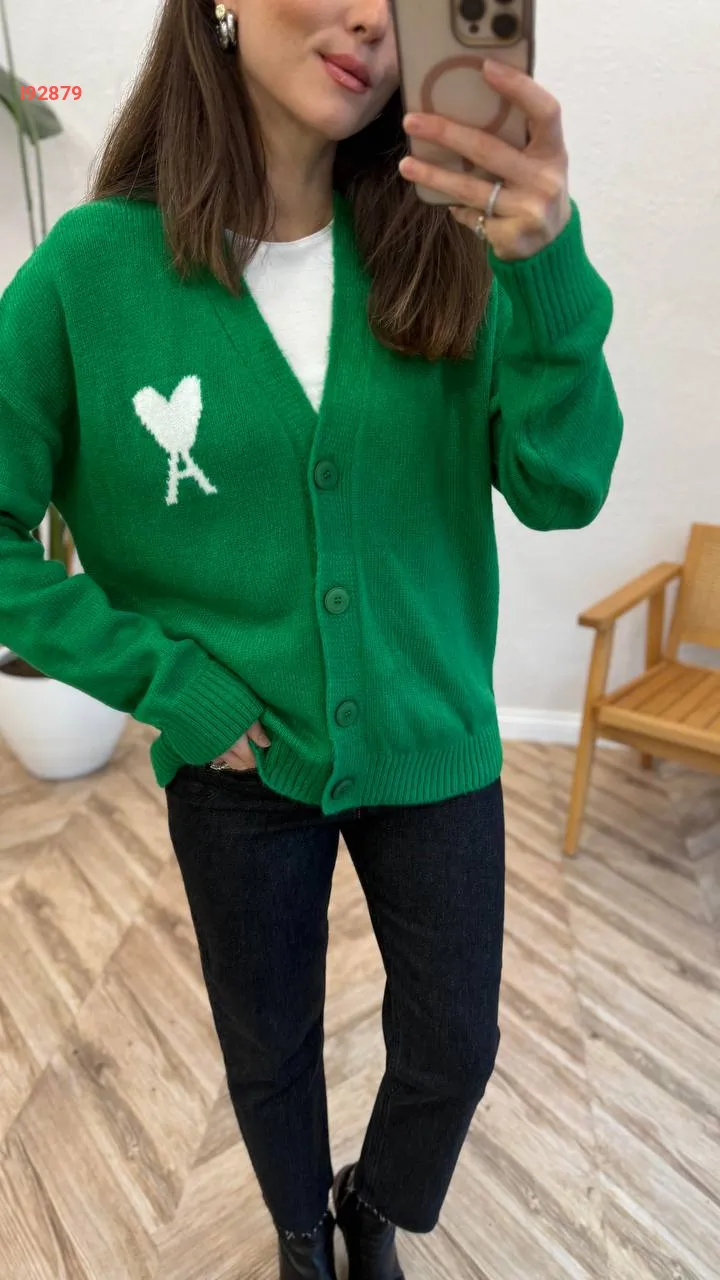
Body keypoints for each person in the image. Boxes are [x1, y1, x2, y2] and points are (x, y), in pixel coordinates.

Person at [0, 1, 623, 1276]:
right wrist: (166, 682)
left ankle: (372, 1203)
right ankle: (301, 1232)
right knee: (268, 1042)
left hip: (432, 737)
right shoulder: (89, 273)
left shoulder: (451, 245)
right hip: (237, 763)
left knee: (453, 1045)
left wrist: (547, 266)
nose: (368, 20)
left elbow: (564, 487)